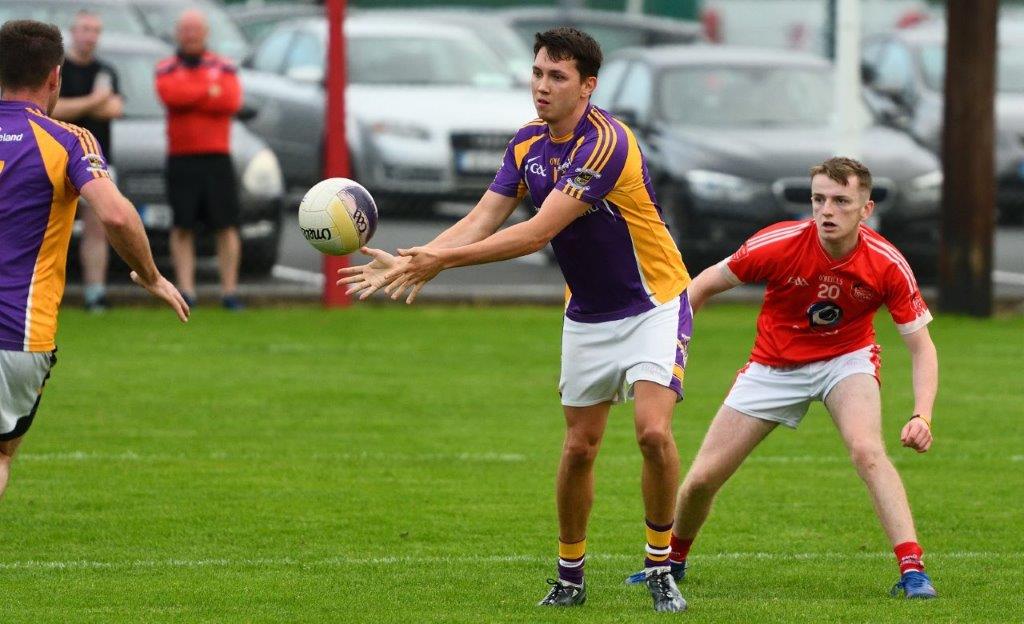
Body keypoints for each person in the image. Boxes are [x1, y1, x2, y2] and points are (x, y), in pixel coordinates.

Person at [339, 28, 692, 612]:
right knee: (580, 446)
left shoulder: (605, 144)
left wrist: (438, 261)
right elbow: (483, 218)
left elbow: (535, 233)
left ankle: (659, 566)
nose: (542, 87)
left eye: (557, 77)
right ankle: (571, 574)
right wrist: (412, 261)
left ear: (588, 86)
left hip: (654, 302)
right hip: (587, 313)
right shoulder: (528, 144)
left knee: (653, 432)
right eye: (537, 73)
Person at [651, 157, 938, 599]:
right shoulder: (779, 242)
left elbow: (922, 347)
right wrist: (669, 355)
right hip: (772, 367)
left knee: (867, 451)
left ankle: (913, 571)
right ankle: (673, 561)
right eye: (819, 199)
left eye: (841, 201)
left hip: (847, 359)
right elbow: (702, 285)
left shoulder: (886, 262)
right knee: (703, 479)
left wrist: (922, 414)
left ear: (866, 208)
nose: (827, 210)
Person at [0, 20, 189, 500]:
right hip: (17, 332)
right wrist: (151, 276)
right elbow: (117, 217)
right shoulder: (67, 140)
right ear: (55, 78)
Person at [155, 9, 243, 310]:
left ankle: (229, 292)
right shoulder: (166, 67)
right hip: (181, 158)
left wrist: (195, 94)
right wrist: (207, 90)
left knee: (226, 225)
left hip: (217, 156)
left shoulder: (225, 66)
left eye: (196, 29)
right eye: (185, 29)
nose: (190, 35)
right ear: (178, 34)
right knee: (182, 226)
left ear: (205, 33)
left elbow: (230, 100)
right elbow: (171, 96)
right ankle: (186, 290)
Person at [52, 9, 124, 313]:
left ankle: (95, 293)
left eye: (95, 30)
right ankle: (49, 292)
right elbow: (53, 110)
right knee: (53, 225)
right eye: (84, 29)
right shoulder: (57, 70)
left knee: (99, 226)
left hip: (98, 162)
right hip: (57, 158)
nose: (89, 36)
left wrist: (81, 107)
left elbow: (114, 109)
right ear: (72, 31)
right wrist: (96, 100)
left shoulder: (107, 70)